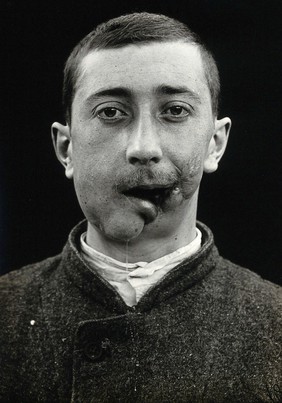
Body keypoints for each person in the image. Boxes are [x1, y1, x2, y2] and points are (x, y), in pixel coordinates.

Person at [0, 12, 281, 403]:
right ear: (66, 148)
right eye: (111, 112)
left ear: (215, 143)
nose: (144, 148)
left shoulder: (274, 324)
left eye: (175, 111)